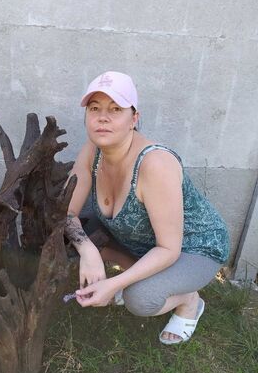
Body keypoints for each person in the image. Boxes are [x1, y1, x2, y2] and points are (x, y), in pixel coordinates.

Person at [65, 71, 230, 345]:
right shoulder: (92, 151)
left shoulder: (155, 164)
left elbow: (169, 249)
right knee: (79, 232)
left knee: (139, 299)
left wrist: (114, 284)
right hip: (141, 240)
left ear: (134, 118)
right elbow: (67, 212)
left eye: (115, 109)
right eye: (94, 108)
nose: (102, 117)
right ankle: (140, 276)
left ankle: (189, 300)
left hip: (192, 247)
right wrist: (88, 250)